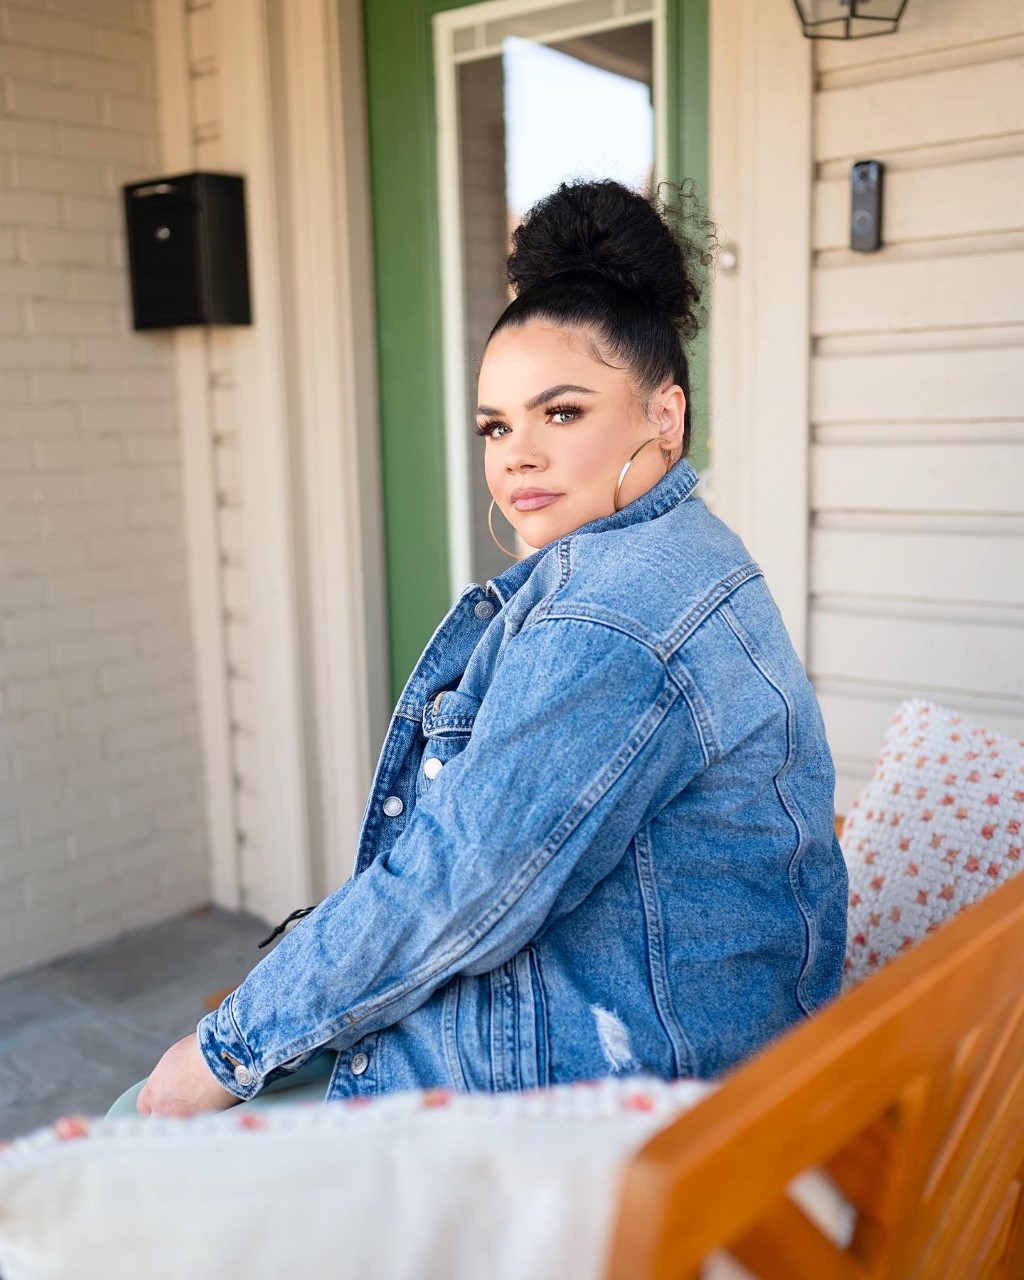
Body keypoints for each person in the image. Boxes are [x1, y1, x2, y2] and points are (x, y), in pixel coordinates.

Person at [111, 177, 848, 1120]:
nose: (516, 456)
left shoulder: (611, 615)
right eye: (497, 426)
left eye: (562, 413)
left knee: (133, 1125)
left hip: (607, 1099)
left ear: (665, 416)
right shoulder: (687, 552)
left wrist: (220, 1052)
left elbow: (456, 889)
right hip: (671, 1043)